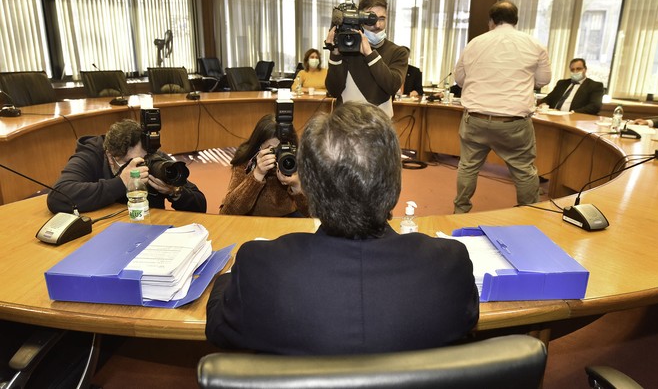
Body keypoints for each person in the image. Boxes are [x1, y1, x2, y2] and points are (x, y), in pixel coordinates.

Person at [206, 102, 479, 355]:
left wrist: (228, 276)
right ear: (396, 187)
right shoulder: (451, 264)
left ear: (309, 188)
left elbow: (218, 326)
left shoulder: (259, 266)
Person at [452, 0, 551, 214]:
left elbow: (459, 79)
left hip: (475, 120)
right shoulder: (535, 45)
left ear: (491, 21)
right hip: (513, 123)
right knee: (524, 171)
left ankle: (460, 211)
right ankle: (530, 214)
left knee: (468, 167)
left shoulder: (474, 43)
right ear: (516, 20)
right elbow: (543, 81)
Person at [47, 119, 206, 214]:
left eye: (143, 160)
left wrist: (175, 192)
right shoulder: (92, 154)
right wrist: (121, 183)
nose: (141, 166)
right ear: (110, 157)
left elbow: (200, 206)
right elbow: (58, 197)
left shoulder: (153, 158)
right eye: (131, 162)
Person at [325, 0, 408, 118]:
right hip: (346, 123)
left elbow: (392, 86)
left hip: (380, 125)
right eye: (371, 19)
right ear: (359, 19)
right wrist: (335, 53)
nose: (378, 25)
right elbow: (334, 90)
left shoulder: (398, 52)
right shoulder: (346, 47)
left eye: (382, 19)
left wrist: (369, 53)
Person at [219, 114, 309, 217]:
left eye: (283, 149)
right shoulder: (247, 160)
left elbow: (314, 215)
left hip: (289, 219)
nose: (278, 155)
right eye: (272, 149)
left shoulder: (298, 160)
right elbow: (228, 212)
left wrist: (297, 185)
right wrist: (257, 174)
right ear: (260, 146)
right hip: (252, 219)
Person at [538, 58, 604, 115]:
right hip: (553, 115)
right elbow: (549, 98)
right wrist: (543, 104)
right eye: (572, 70)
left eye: (578, 69)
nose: (575, 72)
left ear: (585, 69)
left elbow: (595, 106)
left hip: (575, 118)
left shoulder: (595, 86)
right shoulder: (562, 83)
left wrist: (573, 112)